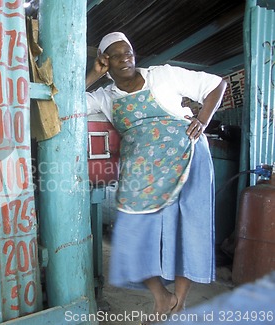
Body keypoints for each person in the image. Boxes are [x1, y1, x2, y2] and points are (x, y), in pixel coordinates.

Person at [85, 32, 227, 322]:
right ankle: (162, 295)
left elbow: (216, 84)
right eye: (115, 55)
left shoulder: (163, 76)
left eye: (128, 52)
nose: (125, 58)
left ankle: (179, 301)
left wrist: (203, 120)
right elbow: (62, 103)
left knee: (187, 226)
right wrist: (92, 75)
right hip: (141, 170)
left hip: (187, 159)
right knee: (132, 231)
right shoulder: (105, 96)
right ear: (105, 61)